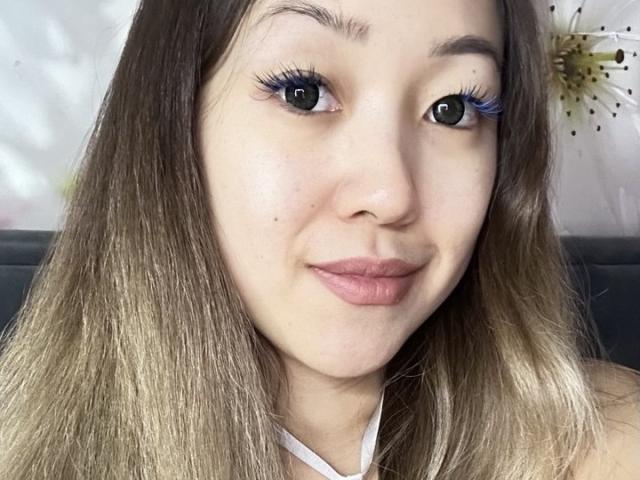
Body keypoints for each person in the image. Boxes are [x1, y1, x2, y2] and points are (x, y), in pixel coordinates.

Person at [0, 0, 638, 479]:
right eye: (303, 93)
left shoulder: (604, 443)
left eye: (453, 108)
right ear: (172, 124)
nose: (390, 195)